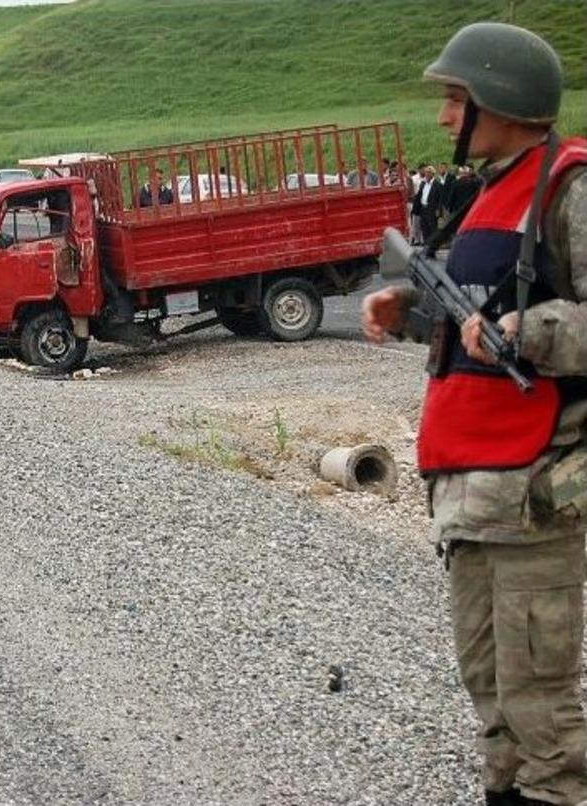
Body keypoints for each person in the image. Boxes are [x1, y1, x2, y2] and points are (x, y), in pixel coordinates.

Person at [362, 22, 587, 806]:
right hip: (471, 498)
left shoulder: (567, 190)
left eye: (457, 99)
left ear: (506, 101)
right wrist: (410, 312)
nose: (444, 118)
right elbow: (475, 327)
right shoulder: (492, 193)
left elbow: (527, 328)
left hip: (533, 498)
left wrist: (535, 332)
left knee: (543, 708)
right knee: (491, 693)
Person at [411, 165, 441, 242]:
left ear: (432, 174)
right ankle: (426, 244)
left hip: (432, 209)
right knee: (424, 227)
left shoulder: (437, 185)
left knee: (432, 227)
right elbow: (419, 196)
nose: (426, 174)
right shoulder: (423, 184)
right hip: (423, 208)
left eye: (428, 172)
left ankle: (433, 244)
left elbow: (440, 199)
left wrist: (438, 209)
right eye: (426, 172)